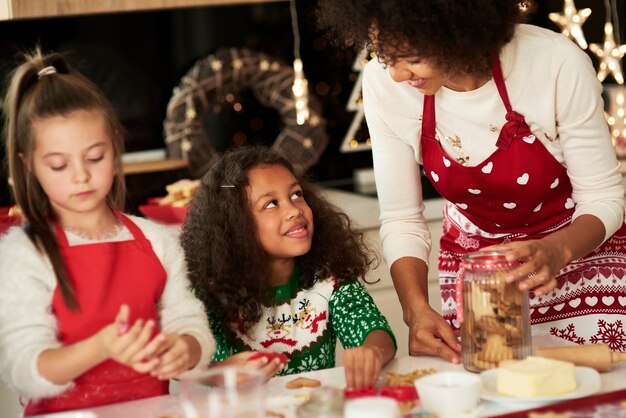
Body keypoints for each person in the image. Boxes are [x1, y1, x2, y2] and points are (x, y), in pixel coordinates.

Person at [316, 0, 626, 363]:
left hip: (579, 251)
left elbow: (603, 197)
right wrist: (415, 311)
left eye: (411, 56)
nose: (397, 74)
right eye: (384, 55)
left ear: (460, 30)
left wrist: (558, 250)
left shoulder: (553, 62)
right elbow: (402, 219)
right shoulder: (385, 85)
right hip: (478, 268)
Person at [0, 49, 215, 416]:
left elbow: (191, 323)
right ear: (30, 165)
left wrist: (186, 347)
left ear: (116, 152)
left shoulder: (157, 241)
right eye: (58, 164)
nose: (80, 175)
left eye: (95, 157)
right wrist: (100, 347)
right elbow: (23, 369)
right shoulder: (25, 252)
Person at [180, 146, 396, 389]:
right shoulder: (210, 292)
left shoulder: (329, 279)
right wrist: (219, 373)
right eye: (271, 204)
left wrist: (372, 352)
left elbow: (374, 329)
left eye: (296, 194)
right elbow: (180, 363)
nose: (294, 210)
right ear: (235, 226)